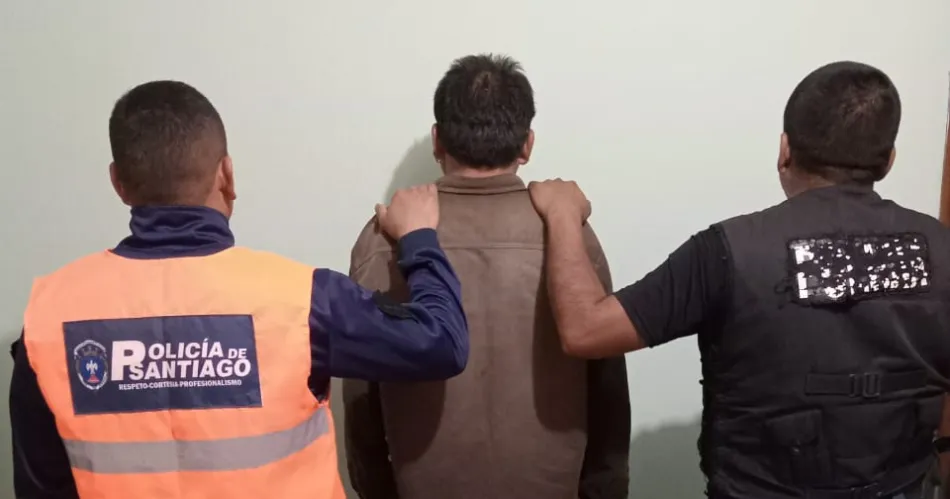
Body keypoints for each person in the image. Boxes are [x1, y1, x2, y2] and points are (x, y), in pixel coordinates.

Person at [9, 80, 470, 499]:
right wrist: (418, 238)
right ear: (226, 174)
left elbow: (42, 488)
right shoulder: (300, 300)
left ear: (119, 183)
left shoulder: (49, 321)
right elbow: (441, 343)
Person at [528, 61, 950, 499]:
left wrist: (562, 212)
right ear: (888, 159)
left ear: (784, 150)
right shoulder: (942, 251)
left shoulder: (728, 252)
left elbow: (585, 330)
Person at [344, 54, 631, 499]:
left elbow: (360, 397)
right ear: (527, 145)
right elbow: (607, 386)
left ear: (438, 141)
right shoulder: (569, 231)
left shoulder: (385, 238)